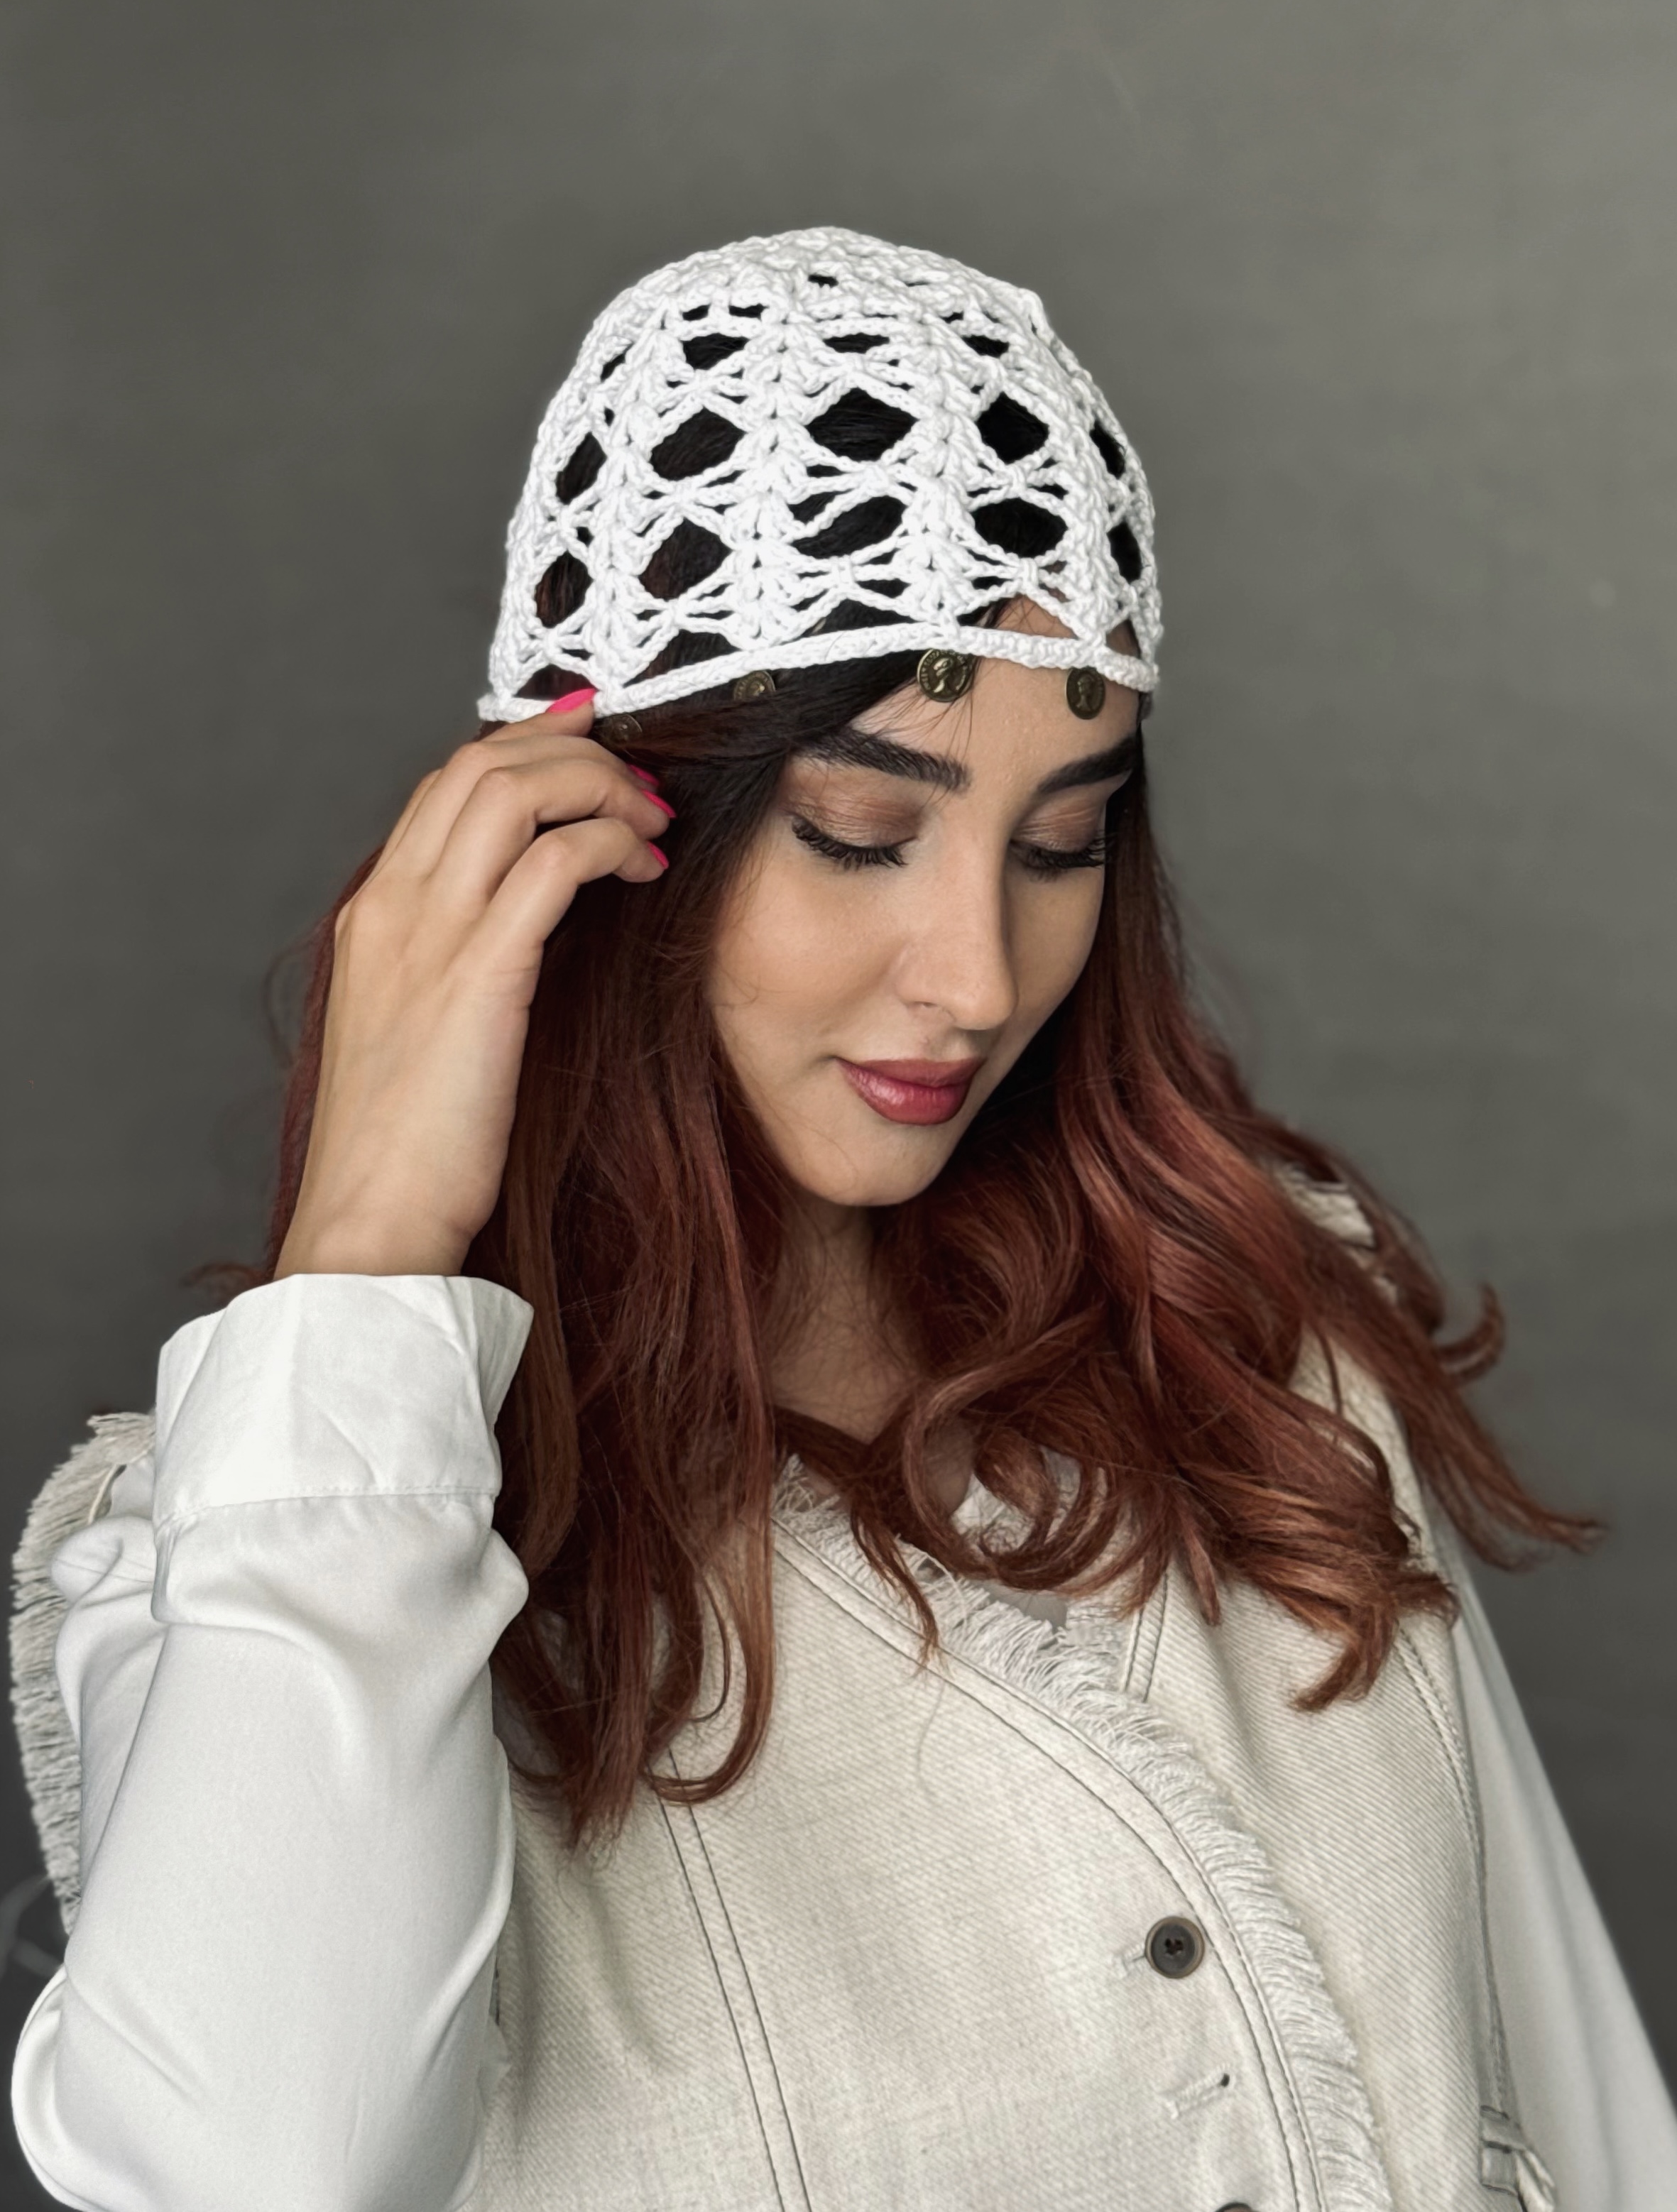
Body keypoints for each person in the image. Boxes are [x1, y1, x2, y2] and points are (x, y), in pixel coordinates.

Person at [8, 227, 1673, 2212]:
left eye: (1061, 841)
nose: (973, 976)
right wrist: (364, 1255)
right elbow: (259, 2170)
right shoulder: (269, 1549)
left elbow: (1574, 2116)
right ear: (599, 817)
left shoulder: (1253, 1335)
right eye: (860, 833)